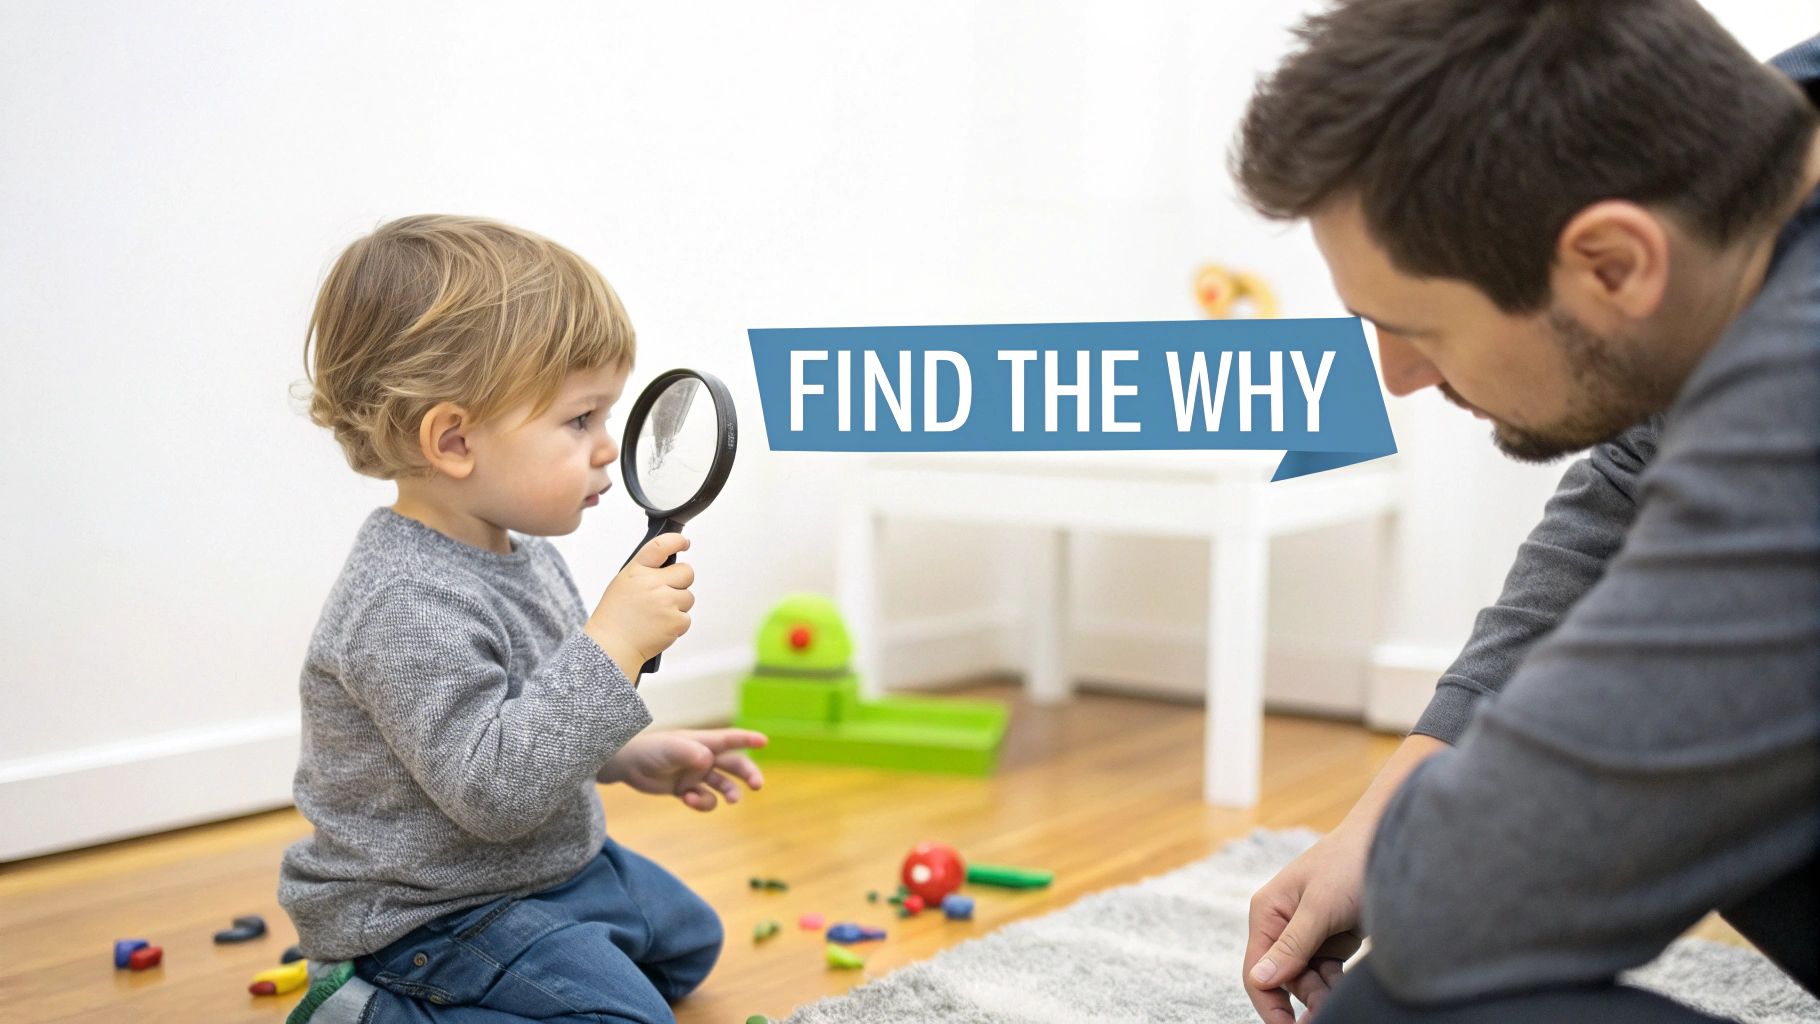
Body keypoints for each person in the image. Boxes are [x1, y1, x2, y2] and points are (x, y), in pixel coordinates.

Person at [1230, 4, 1820, 1020]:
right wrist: (1386, 811)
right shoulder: (1754, 147)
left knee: (1407, 1005)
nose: (1398, 377)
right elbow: (1632, 477)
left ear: (1611, 264)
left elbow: (1455, 905)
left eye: (1412, 327)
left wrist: (1428, 852)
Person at [277, 214, 767, 1024]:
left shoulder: (521, 551)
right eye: (581, 420)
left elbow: (528, 714)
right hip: (431, 914)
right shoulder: (402, 602)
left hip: (542, 869)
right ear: (455, 439)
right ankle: (363, 1006)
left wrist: (626, 755)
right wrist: (611, 645)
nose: (608, 447)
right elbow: (494, 791)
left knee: (689, 943)